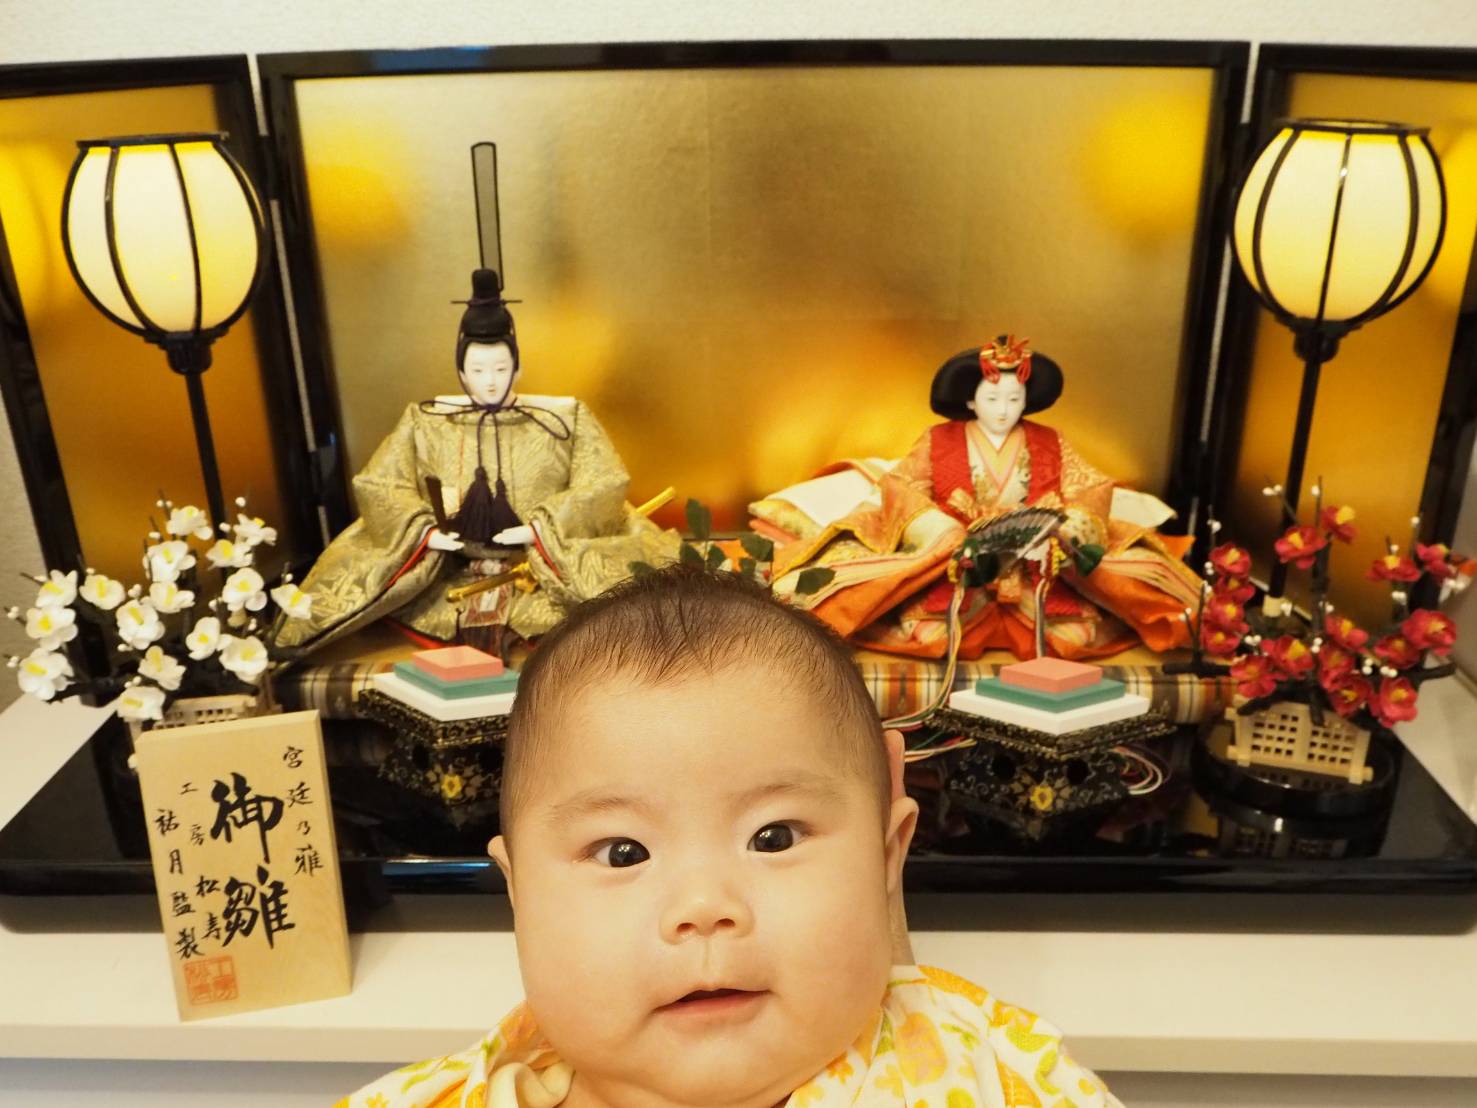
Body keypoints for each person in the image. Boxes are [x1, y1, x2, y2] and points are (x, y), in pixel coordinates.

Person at [336, 566, 1121, 1107]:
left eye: (773, 837)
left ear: (887, 854)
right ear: (519, 891)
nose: (704, 907)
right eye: (622, 852)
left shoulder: (1000, 1075)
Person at [274, 268, 676, 657]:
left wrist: (541, 528)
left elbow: (603, 479)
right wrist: (424, 531)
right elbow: (379, 484)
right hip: (449, 574)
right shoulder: (426, 421)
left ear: (517, 367)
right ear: (462, 372)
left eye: (501, 369)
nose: (490, 381)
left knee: (643, 601)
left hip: (538, 572)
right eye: (478, 370)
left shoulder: (565, 419)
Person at [758, 336, 1202, 661]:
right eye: (992, 397)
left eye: (1014, 398)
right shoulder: (939, 440)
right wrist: (939, 528)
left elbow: (1092, 487)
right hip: (959, 562)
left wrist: (1065, 525)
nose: (1004, 409)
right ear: (971, 401)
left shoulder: (1049, 441)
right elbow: (902, 486)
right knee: (930, 634)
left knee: (1073, 637)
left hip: (1034, 562)